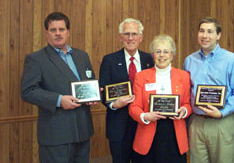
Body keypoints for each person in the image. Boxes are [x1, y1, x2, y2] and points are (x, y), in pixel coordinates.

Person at [21, 12, 95, 163]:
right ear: (47, 33)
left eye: (61, 29)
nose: (58, 34)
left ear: (68, 32)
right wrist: (59, 100)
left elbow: (90, 81)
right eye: (53, 30)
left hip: (83, 130)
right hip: (56, 135)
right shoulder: (36, 59)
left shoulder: (82, 56)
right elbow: (28, 91)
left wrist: (93, 95)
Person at [184, 17, 234, 163]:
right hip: (197, 122)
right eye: (202, 31)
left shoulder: (231, 60)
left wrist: (222, 112)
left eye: (210, 32)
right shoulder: (189, 60)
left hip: (222, 122)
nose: (205, 36)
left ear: (218, 35)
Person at [129, 34, 192, 163]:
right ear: (153, 55)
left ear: (172, 55)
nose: (161, 55)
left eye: (165, 51)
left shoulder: (184, 76)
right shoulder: (141, 76)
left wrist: (184, 111)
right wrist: (145, 116)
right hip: (148, 132)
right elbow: (134, 107)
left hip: (174, 134)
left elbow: (187, 103)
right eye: (158, 51)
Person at [99, 18, 154, 163]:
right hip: (119, 124)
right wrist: (114, 104)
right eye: (127, 34)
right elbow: (103, 91)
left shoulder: (149, 60)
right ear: (120, 37)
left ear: (141, 38)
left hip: (144, 124)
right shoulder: (109, 60)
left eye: (134, 34)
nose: (130, 38)